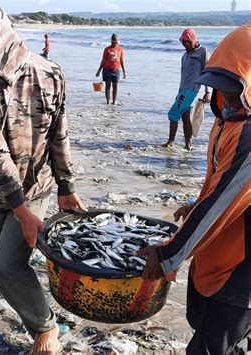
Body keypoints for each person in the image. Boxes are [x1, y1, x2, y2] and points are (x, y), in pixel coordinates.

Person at [0, 1, 87, 353]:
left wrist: (66, 187)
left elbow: (60, 134)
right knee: (5, 269)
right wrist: (19, 210)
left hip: (37, 190)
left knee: (7, 269)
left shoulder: (49, 74)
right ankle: (38, 326)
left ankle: (46, 331)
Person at [137, 23, 250, 355]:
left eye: (235, 86)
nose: (226, 93)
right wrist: (195, 202)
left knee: (212, 347)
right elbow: (222, 183)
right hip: (215, 250)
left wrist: (168, 254)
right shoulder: (229, 116)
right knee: (203, 325)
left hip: (240, 268)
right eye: (220, 84)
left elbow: (221, 205)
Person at [162, 29, 210, 150]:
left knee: (173, 113)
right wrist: (179, 93)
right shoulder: (185, 55)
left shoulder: (202, 52)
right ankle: (188, 145)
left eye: (188, 41)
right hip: (182, 89)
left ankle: (170, 142)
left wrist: (207, 92)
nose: (185, 44)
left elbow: (207, 71)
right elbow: (184, 74)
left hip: (192, 89)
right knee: (185, 116)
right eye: (183, 42)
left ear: (193, 40)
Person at [96, 33, 126, 105]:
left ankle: (114, 101)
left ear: (118, 42)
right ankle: (107, 101)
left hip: (116, 71)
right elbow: (103, 60)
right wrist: (99, 71)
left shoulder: (120, 50)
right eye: (113, 42)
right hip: (107, 70)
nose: (115, 44)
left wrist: (124, 71)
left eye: (116, 42)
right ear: (111, 41)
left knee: (115, 86)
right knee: (108, 86)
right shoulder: (107, 49)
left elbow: (121, 60)